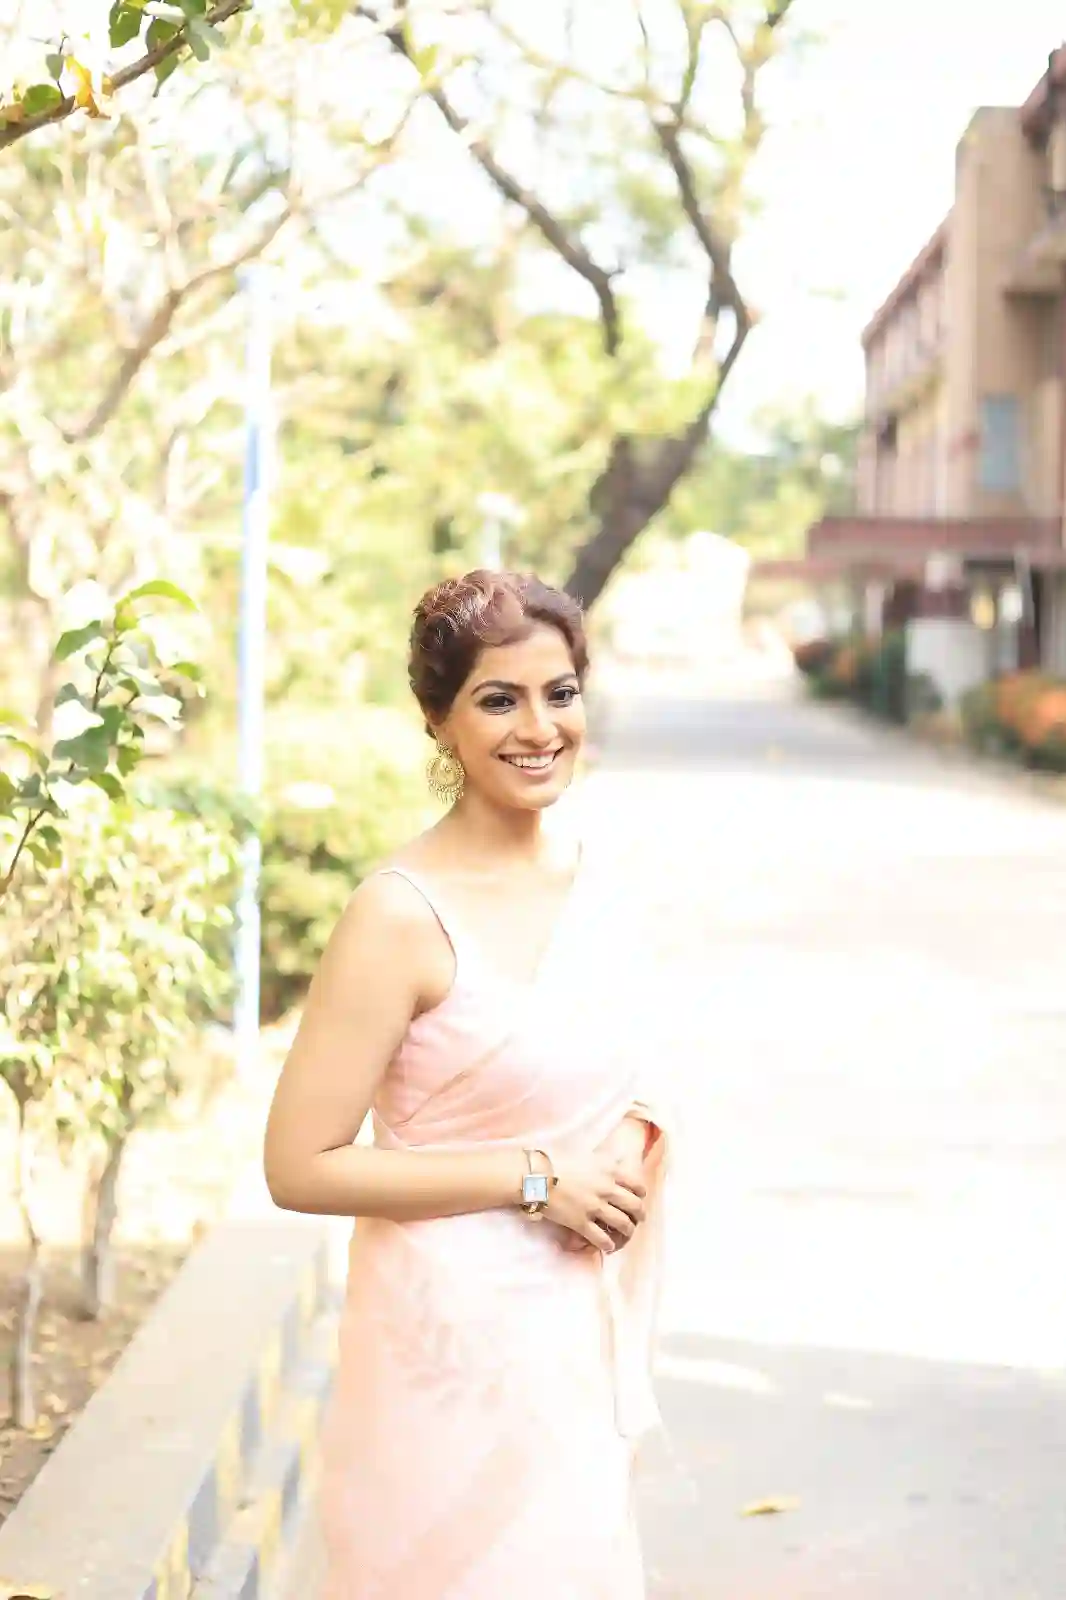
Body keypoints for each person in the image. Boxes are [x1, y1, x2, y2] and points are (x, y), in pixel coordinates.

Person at [263, 569, 669, 1599]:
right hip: (439, 1361)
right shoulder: (399, 915)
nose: (539, 728)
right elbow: (299, 1165)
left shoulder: (602, 884)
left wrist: (628, 1144)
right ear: (439, 719)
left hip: (573, 1345)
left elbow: (620, 1081)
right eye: (499, 699)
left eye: (560, 693)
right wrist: (536, 1176)